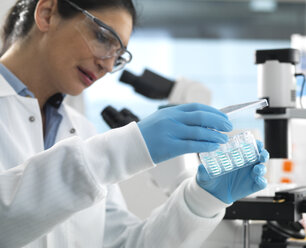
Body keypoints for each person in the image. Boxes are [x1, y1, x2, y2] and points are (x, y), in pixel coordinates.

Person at [0, 0, 269, 247]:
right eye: (103, 38)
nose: (107, 65)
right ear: (47, 14)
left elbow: (124, 243)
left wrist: (202, 200)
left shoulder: (82, 131)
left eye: (118, 57)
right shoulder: (90, 146)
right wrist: (124, 148)